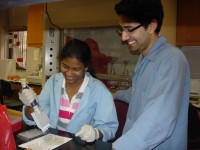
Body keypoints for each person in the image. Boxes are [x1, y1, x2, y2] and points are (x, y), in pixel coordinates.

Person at [112, 0, 190, 149]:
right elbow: (139, 93)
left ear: (152, 26)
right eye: (121, 29)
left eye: (129, 29)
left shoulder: (172, 59)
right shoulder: (144, 58)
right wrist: (115, 94)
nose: (123, 37)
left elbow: (158, 119)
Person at [19, 39, 118, 142]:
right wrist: (30, 109)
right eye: (65, 66)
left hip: (80, 146)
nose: (69, 74)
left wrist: (96, 133)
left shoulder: (99, 91)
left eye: (76, 69)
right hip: (52, 142)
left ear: (86, 67)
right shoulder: (53, 82)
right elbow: (41, 115)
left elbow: (109, 127)